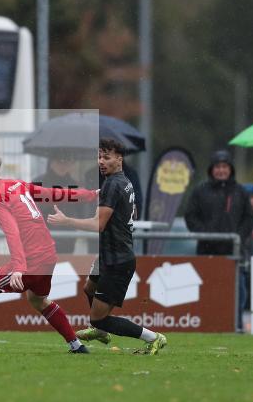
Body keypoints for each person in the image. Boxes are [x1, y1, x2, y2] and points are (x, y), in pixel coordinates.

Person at [0, 150, 98, 354]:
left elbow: (13, 232)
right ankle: (76, 345)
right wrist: (90, 195)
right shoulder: (15, 184)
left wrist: (19, 268)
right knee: (37, 300)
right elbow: (53, 193)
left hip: (31, 261)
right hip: (48, 255)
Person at [49, 138, 167, 355]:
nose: (101, 161)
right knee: (89, 289)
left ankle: (153, 337)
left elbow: (99, 225)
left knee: (100, 317)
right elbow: (126, 213)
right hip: (106, 256)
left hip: (117, 259)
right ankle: (98, 330)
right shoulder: (123, 181)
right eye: (99, 156)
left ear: (119, 159)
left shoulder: (113, 184)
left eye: (107, 157)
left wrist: (67, 221)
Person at [184, 150, 253, 256]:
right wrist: (205, 235)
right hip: (206, 251)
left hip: (234, 250)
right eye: (217, 167)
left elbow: (248, 217)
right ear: (211, 169)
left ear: (230, 169)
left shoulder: (240, 191)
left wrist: (239, 236)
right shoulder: (200, 190)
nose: (221, 170)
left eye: (225, 167)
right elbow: (190, 216)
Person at [33, 154, 87, 254]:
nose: (63, 165)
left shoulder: (74, 184)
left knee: (65, 265)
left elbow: (81, 212)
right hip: (43, 234)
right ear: (51, 163)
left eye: (68, 162)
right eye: (60, 161)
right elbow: (33, 208)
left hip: (67, 236)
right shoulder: (38, 182)